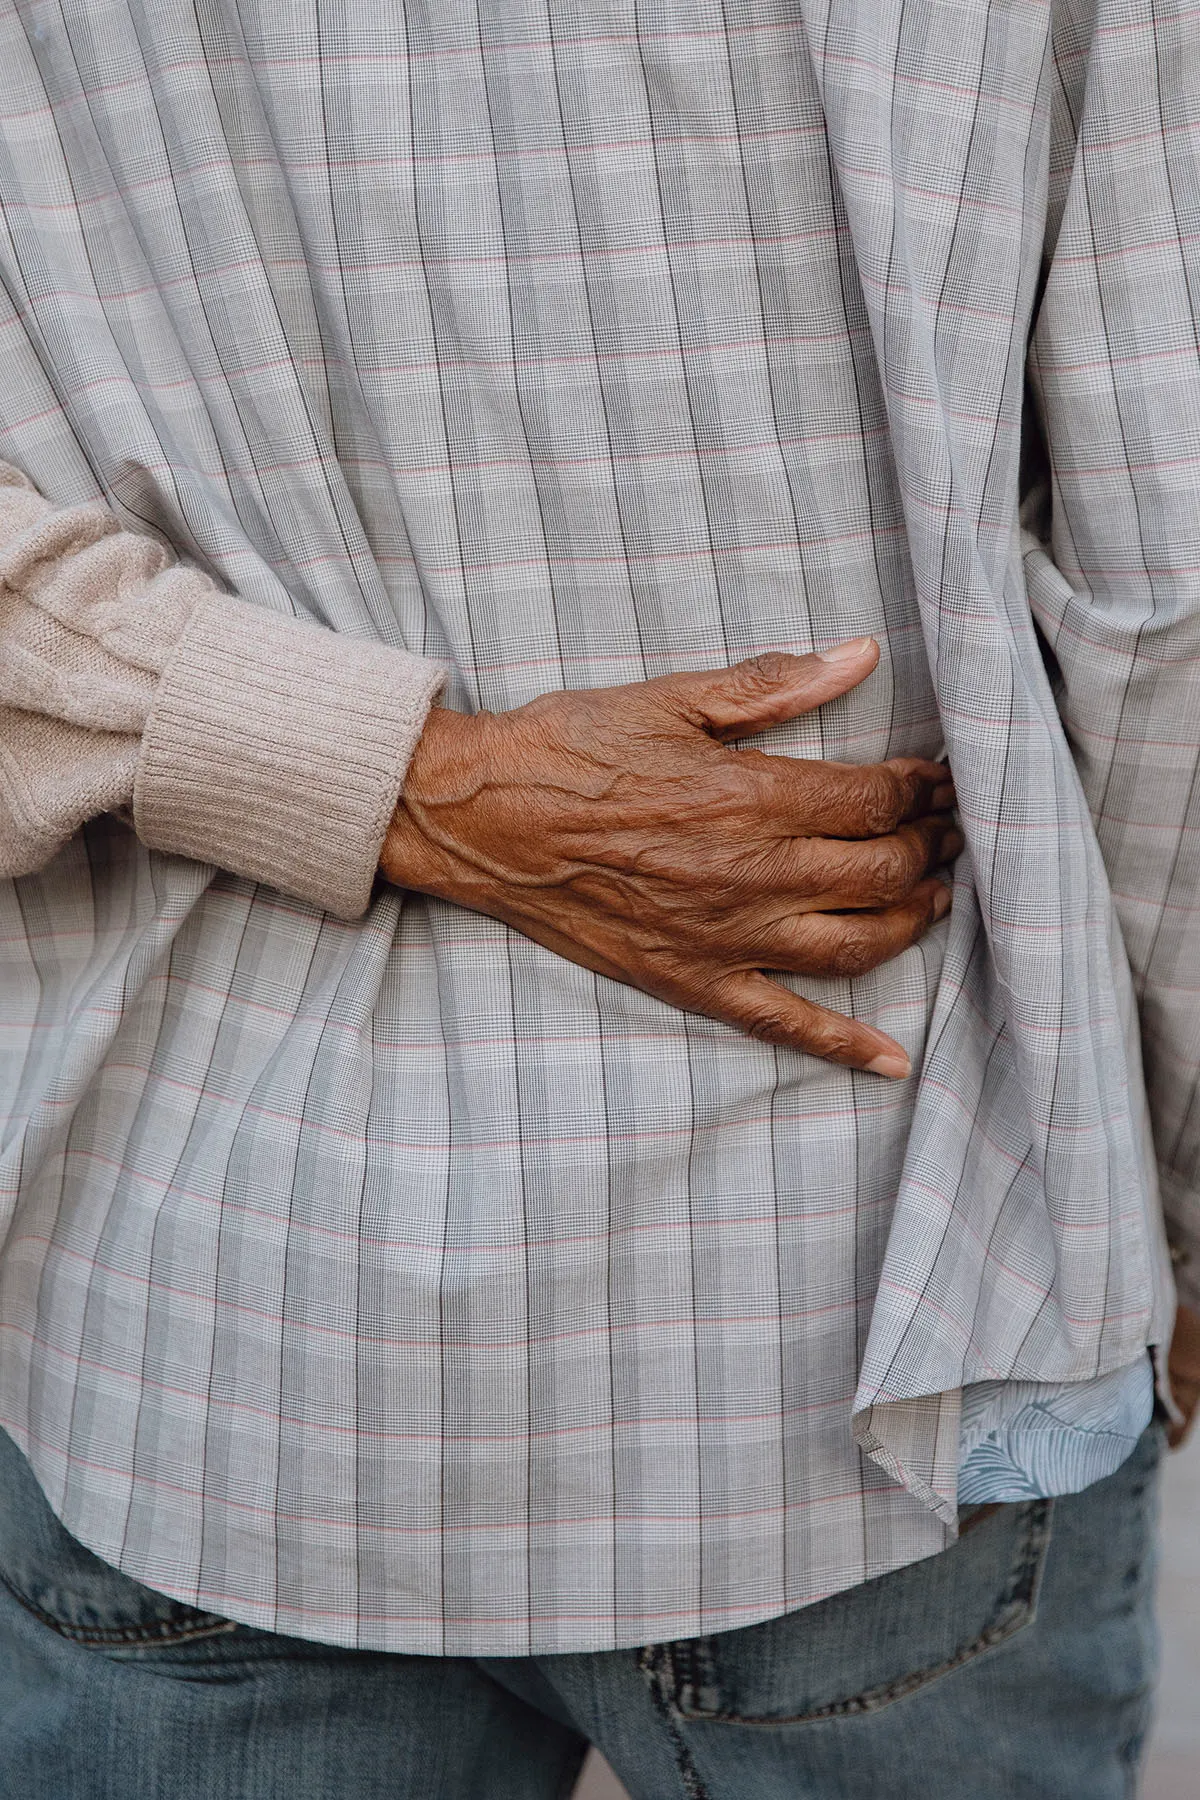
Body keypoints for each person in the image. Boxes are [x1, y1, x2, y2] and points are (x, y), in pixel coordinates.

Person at [0, 3, 1196, 1795]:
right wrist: (1174, 1190)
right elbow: (1162, 602)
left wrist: (358, 768)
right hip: (902, 1288)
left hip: (214, 1310)